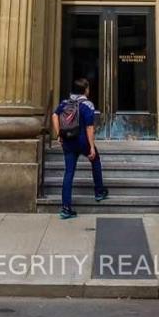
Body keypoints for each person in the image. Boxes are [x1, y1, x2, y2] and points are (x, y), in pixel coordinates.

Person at [52, 77, 108, 219]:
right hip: (82, 140)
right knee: (95, 160)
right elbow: (89, 127)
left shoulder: (65, 103)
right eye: (88, 88)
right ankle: (99, 191)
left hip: (68, 141)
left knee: (68, 172)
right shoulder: (87, 105)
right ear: (85, 90)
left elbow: (54, 115)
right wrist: (92, 147)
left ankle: (65, 208)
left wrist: (59, 134)